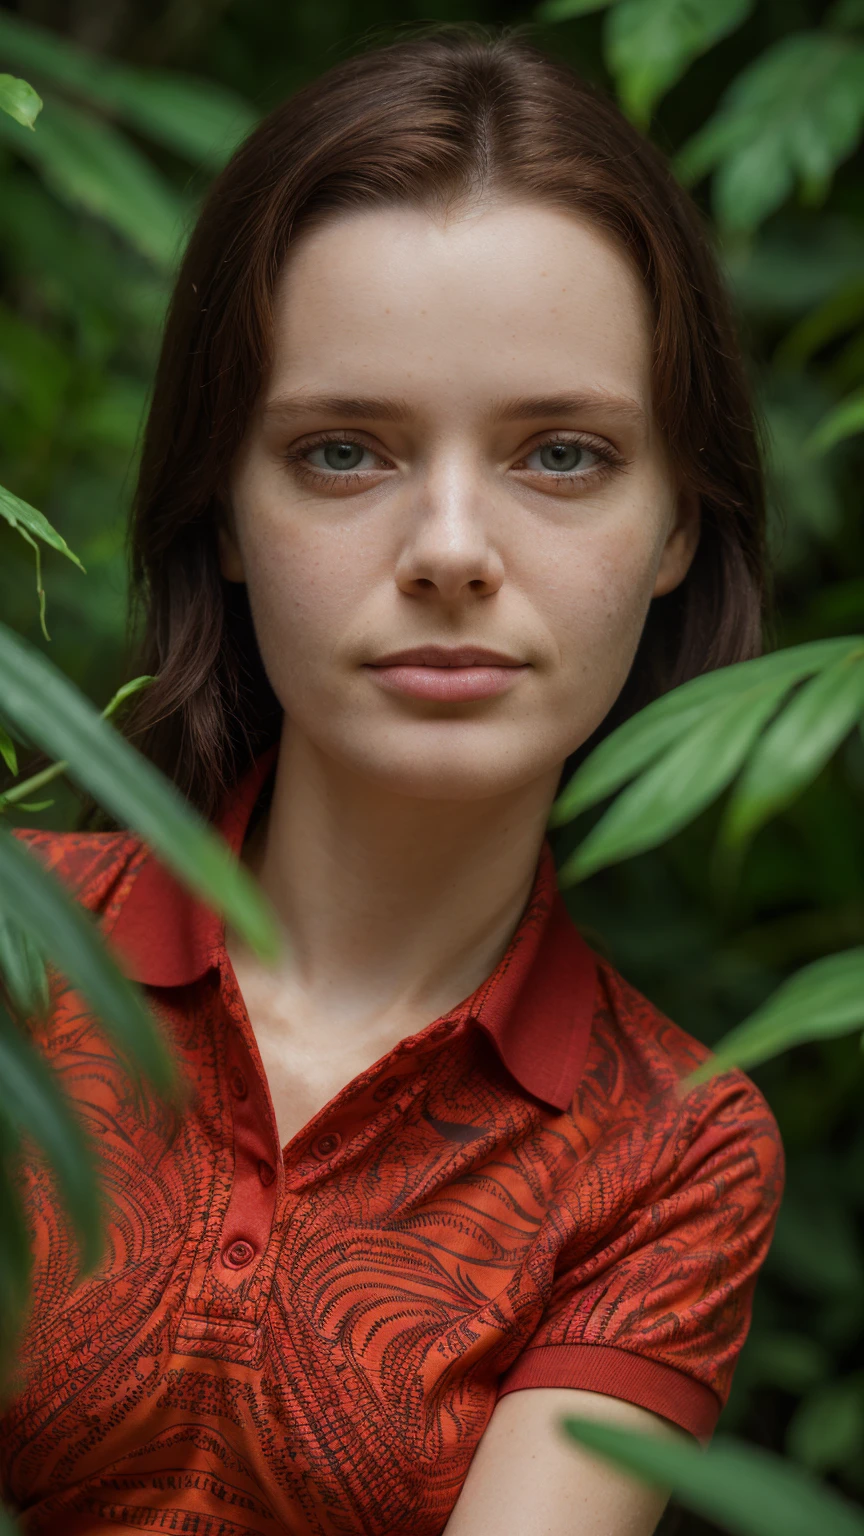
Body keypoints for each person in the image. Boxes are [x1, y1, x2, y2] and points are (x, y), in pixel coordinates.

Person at [1, 25, 783, 1536]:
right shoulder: (18, 946)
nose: (448, 549)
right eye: (344, 452)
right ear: (220, 505)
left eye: (561, 455)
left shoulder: (668, 1155)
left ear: (682, 522)